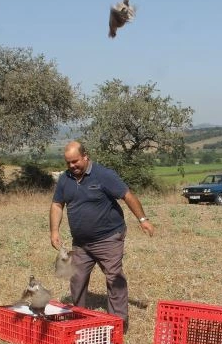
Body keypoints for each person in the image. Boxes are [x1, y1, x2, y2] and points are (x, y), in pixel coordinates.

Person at [49, 141, 154, 332]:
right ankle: (78, 318)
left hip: (108, 238)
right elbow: (57, 204)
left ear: (85, 156)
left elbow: (127, 195)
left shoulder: (104, 175)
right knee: (77, 278)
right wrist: (54, 231)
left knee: (114, 278)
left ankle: (118, 325)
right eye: (68, 163)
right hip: (81, 243)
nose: (72, 166)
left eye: (75, 161)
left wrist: (143, 219)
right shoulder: (65, 179)